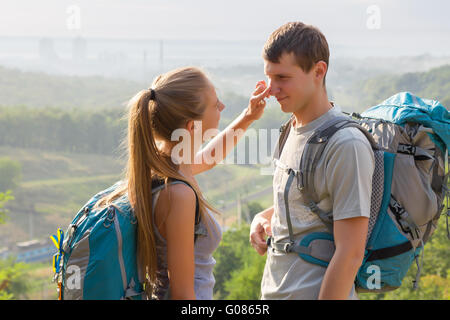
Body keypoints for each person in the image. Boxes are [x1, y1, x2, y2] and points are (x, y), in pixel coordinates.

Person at [97, 66, 271, 300]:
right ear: (191, 127)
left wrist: (248, 116)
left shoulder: (164, 168)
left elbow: (209, 158)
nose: (222, 107)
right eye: (215, 104)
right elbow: (182, 295)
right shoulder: (178, 194)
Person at [249, 22, 375, 300]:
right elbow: (311, 203)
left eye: (282, 77)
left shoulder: (347, 145)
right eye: (269, 77)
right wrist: (264, 217)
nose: (272, 89)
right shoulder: (290, 130)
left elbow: (351, 252)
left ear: (319, 71)